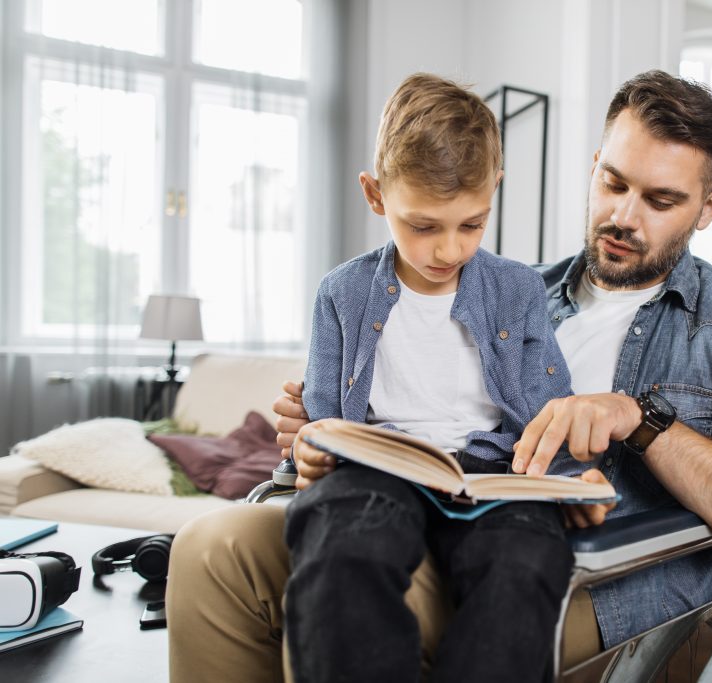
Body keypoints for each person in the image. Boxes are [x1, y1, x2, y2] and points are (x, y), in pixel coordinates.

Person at [166, 69, 712, 682]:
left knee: (366, 591)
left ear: (708, 207)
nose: (622, 214)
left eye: (660, 199)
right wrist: (328, 430)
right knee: (212, 548)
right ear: (593, 166)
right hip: (420, 512)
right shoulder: (511, 288)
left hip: (600, 579)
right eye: (613, 182)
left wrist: (639, 421)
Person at [284, 72, 610, 683]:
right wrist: (311, 449)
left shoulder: (517, 289)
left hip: (495, 475)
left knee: (528, 562)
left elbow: (549, 408)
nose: (448, 250)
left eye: (472, 224)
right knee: (341, 547)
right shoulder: (342, 292)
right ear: (375, 194)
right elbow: (325, 419)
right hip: (378, 468)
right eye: (423, 226)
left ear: (495, 191)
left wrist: (575, 482)